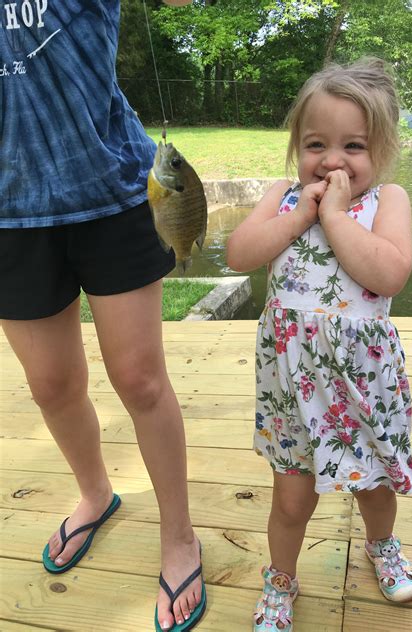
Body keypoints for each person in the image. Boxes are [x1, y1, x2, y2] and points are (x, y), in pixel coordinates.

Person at [0, 1, 205, 631]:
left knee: (141, 381)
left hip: (118, 193)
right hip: (8, 213)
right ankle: (95, 494)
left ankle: (179, 536)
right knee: (52, 386)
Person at [226, 58, 412, 631]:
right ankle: (281, 579)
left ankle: (381, 545)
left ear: (381, 151)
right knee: (291, 497)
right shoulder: (282, 197)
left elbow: (388, 274)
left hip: (362, 385)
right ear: (296, 148)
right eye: (316, 144)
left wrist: (334, 216)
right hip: (292, 385)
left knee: (375, 486)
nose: (332, 160)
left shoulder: (388, 202)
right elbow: (240, 254)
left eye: (353, 146)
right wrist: (302, 212)